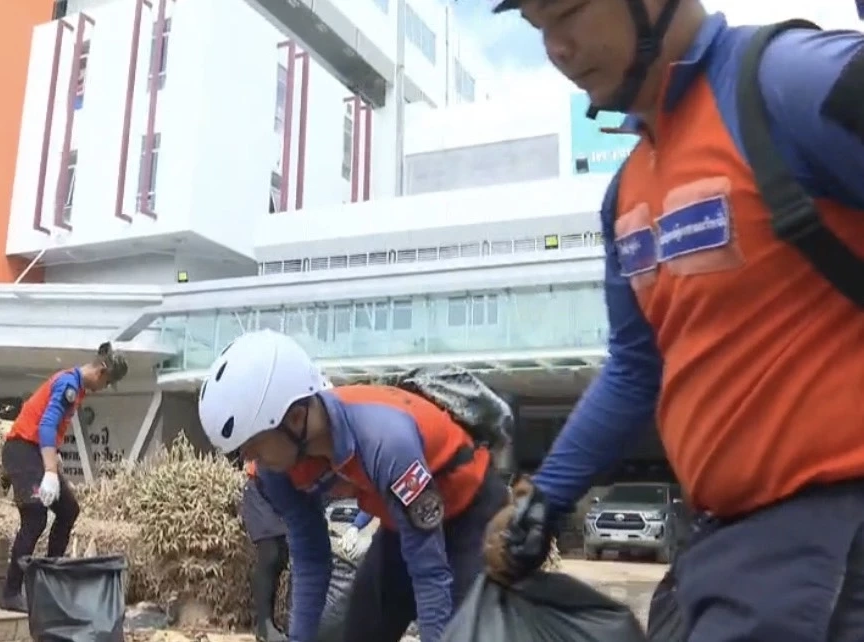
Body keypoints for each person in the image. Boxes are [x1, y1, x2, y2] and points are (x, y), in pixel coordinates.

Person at [481, 1, 864, 640]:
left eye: (568, 11)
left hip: (830, 540)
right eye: (536, 26)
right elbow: (637, 369)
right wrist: (543, 502)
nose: (556, 47)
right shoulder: (626, 194)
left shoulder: (786, 82)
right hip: (714, 547)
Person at [198, 330, 507, 642]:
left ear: (294, 418)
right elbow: (310, 556)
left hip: (469, 511)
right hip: (400, 523)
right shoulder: (276, 468)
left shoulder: (386, 442)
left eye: (253, 445)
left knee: (461, 633)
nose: (249, 459)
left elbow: (430, 572)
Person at [0, 342, 128, 612]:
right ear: (102, 371)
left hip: (35, 451)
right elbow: (46, 424)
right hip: (22, 449)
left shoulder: (77, 388)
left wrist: (53, 460)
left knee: (68, 509)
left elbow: (51, 430)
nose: (103, 389)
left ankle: (49, 582)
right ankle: (11, 592)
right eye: (107, 383)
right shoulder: (68, 385)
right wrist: (48, 472)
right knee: (36, 516)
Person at [241, 459, 290, 642]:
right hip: (259, 488)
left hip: (279, 492)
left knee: (280, 556)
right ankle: (264, 624)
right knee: (270, 553)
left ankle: (270, 623)